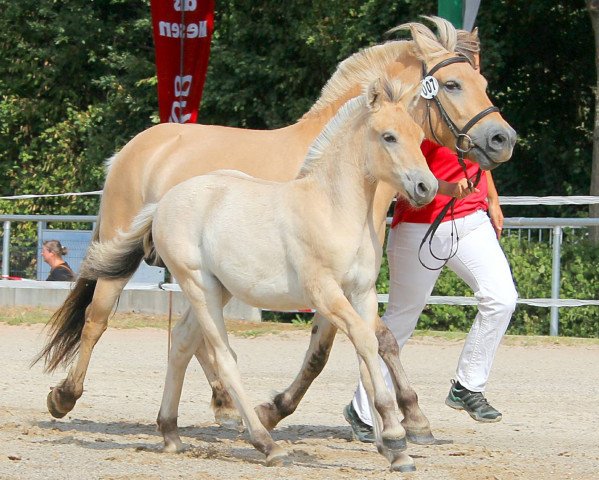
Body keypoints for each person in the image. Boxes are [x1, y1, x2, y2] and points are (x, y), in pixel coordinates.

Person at [344, 138, 518, 443]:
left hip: (472, 220)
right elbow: (396, 176)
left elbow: (480, 155)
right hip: (419, 224)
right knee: (401, 320)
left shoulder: (466, 104)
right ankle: (361, 409)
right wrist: (448, 188)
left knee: (502, 298)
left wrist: (491, 198)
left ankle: (468, 386)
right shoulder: (416, 116)